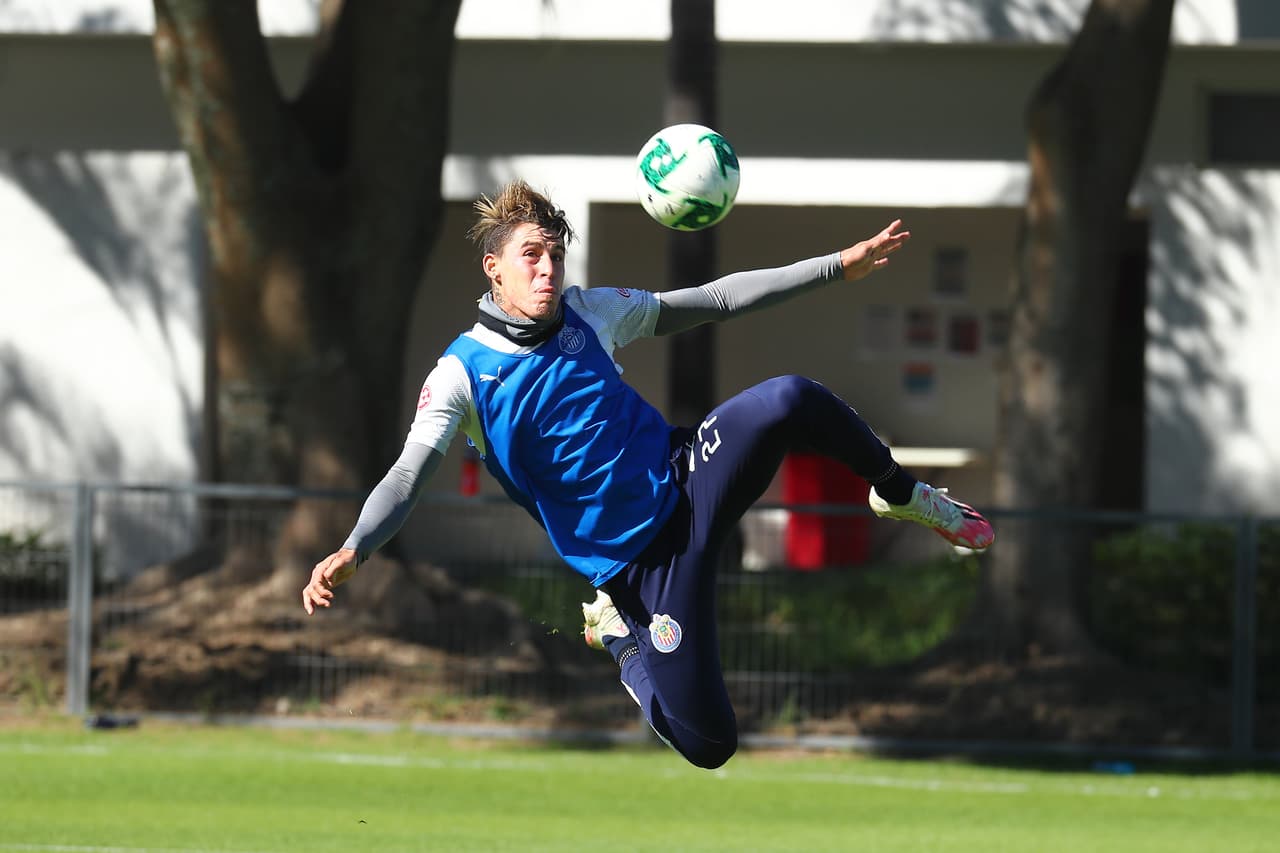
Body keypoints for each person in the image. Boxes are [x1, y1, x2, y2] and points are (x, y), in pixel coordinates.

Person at [302, 180, 994, 769]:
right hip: (639, 569)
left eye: (555, 255)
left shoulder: (590, 311)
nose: (548, 269)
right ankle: (619, 636)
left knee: (791, 397)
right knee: (710, 744)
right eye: (531, 256)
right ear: (494, 269)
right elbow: (407, 475)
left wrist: (836, 266)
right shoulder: (461, 373)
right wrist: (356, 545)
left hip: (688, 475)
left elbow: (716, 299)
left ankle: (900, 493)